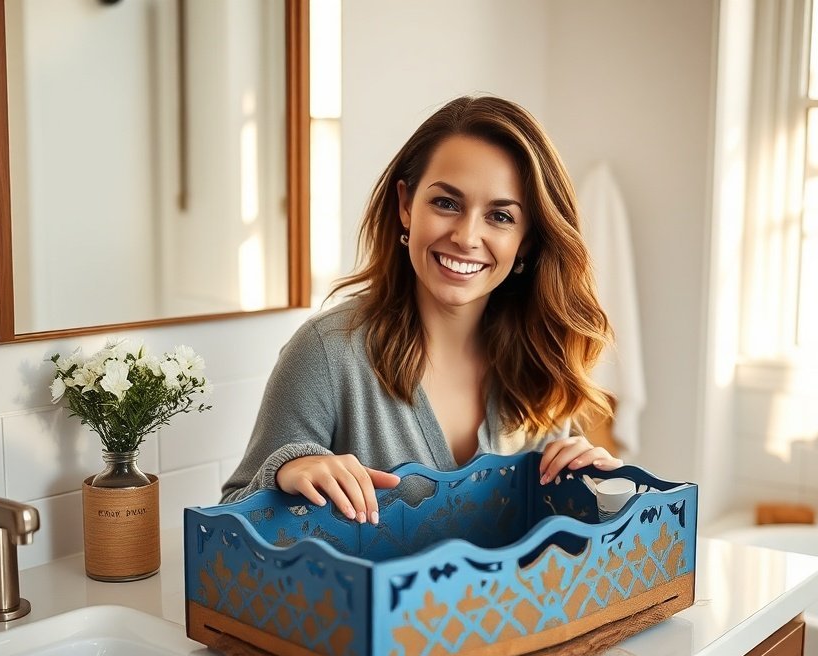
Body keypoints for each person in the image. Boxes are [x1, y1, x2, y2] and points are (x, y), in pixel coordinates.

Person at [222, 95, 622, 524]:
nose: (467, 237)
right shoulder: (328, 353)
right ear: (406, 205)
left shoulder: (539, 361)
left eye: (501, 217)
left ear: (526, 240)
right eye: (446, 203)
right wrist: (286, 471)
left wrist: (588, 493)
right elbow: (230, 519)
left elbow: (542, 549)